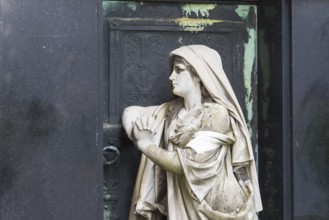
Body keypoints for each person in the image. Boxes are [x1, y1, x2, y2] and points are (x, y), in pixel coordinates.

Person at [122, 45, 262, 220]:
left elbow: (183, 164)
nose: (171, 77)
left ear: (198, 74)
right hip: (183, 205)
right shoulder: (171, 111)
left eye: (179, 70)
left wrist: (145, 144)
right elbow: (131, 112)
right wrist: (141, 128)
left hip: (217, 211)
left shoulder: (216, 114)